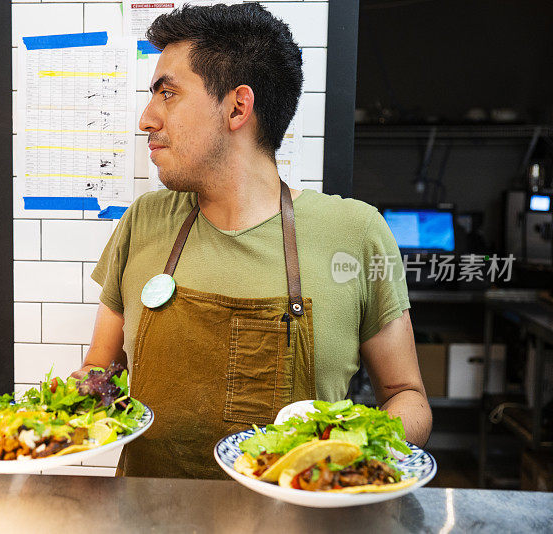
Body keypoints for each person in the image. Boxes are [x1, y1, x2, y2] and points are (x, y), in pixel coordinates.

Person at [71, 3, 431, 479]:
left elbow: (407, 396)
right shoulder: (145, 221)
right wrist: (40, 423)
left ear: (238, 106)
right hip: (148, 517)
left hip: (301, 521)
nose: (147, 119)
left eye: (168, 94)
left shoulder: (356, 232)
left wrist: (351, 451)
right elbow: (102, 367)